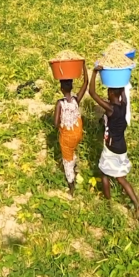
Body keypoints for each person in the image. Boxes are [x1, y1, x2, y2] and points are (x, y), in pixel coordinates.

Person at [89, 65, 139, 214]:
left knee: (104, 173)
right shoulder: (123, 104)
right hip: (121, 147)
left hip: (111, 148)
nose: (107, 92)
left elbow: (92, 93)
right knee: (121, 178)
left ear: (111, 92)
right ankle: (137, 205)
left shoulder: (111, 109)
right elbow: (124, 88)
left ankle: (108, 204)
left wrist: (94, 73)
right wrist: (124, 71)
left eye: (108, 90)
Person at [53, 66, 89, 195]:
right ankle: (76, 168)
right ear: (72, 87)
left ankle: (71, 186)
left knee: (67, 159)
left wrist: (60, 126)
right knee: (73, 152)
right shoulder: (76, 100)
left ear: (61, 89)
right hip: (77, 134)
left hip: (67, 136)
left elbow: (56, 122)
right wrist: (83, 66)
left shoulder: (60, 103)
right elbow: (86, 83)